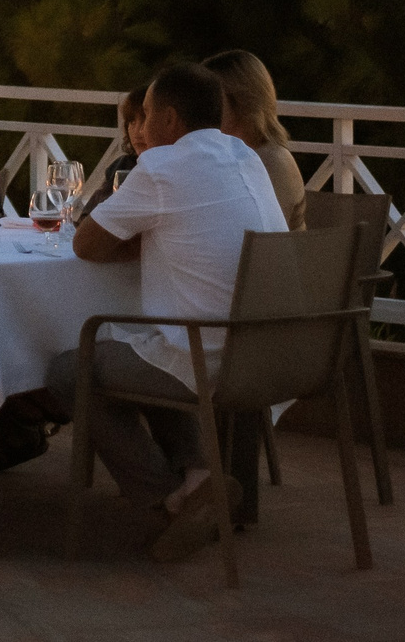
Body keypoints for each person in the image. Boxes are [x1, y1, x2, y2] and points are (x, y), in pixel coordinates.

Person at [46, 60, 288, 563]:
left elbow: (87, 244)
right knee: (150, 345)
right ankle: (200, 477)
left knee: (72, 369)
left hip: (209, 354)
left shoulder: (162, 167)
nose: (139, 124)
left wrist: (138, 239)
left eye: (147, 112)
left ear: (171, 120)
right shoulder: (244, 156)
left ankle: (167, 497)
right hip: (270, 352)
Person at [204, 49, 307, 230]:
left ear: (242, 100)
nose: (200, 109)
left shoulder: (272, 161)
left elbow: (259, 236)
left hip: (269, 257)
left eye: (210, 98)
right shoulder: (228, 156)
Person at [77, 79, 155, 221]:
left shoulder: (169, 172)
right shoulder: (123, 166)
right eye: (131, 121)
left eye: (144, 121)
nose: (137, 131)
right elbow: (87, 217)